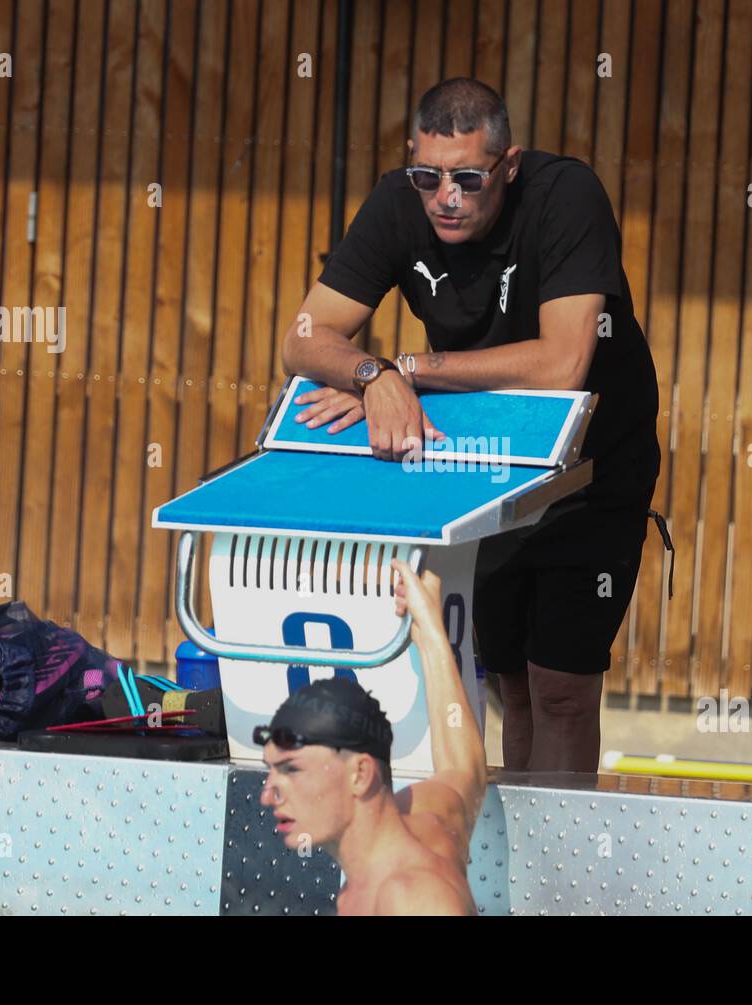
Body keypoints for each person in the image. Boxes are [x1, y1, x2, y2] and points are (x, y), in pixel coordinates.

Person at [280, 77, 660, 773]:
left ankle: (561, 874)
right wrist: (371, 376)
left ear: (508, 166)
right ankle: (518, 871)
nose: (445, 198)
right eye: (428, 176)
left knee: (564, 691)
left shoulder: (566, 198)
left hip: (592, 466)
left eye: (468, 178)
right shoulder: (401, 202)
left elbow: (562, 363)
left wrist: (410, 367)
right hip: (484, 465)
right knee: (510, 684)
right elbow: (305, 337)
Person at [257, 559, 487, 916]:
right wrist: (429, 633)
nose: (267, 795)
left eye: (293, 771)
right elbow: (463, 772)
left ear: (361, 774)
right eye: (272, 770)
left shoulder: (415, 899)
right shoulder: (427, 825)